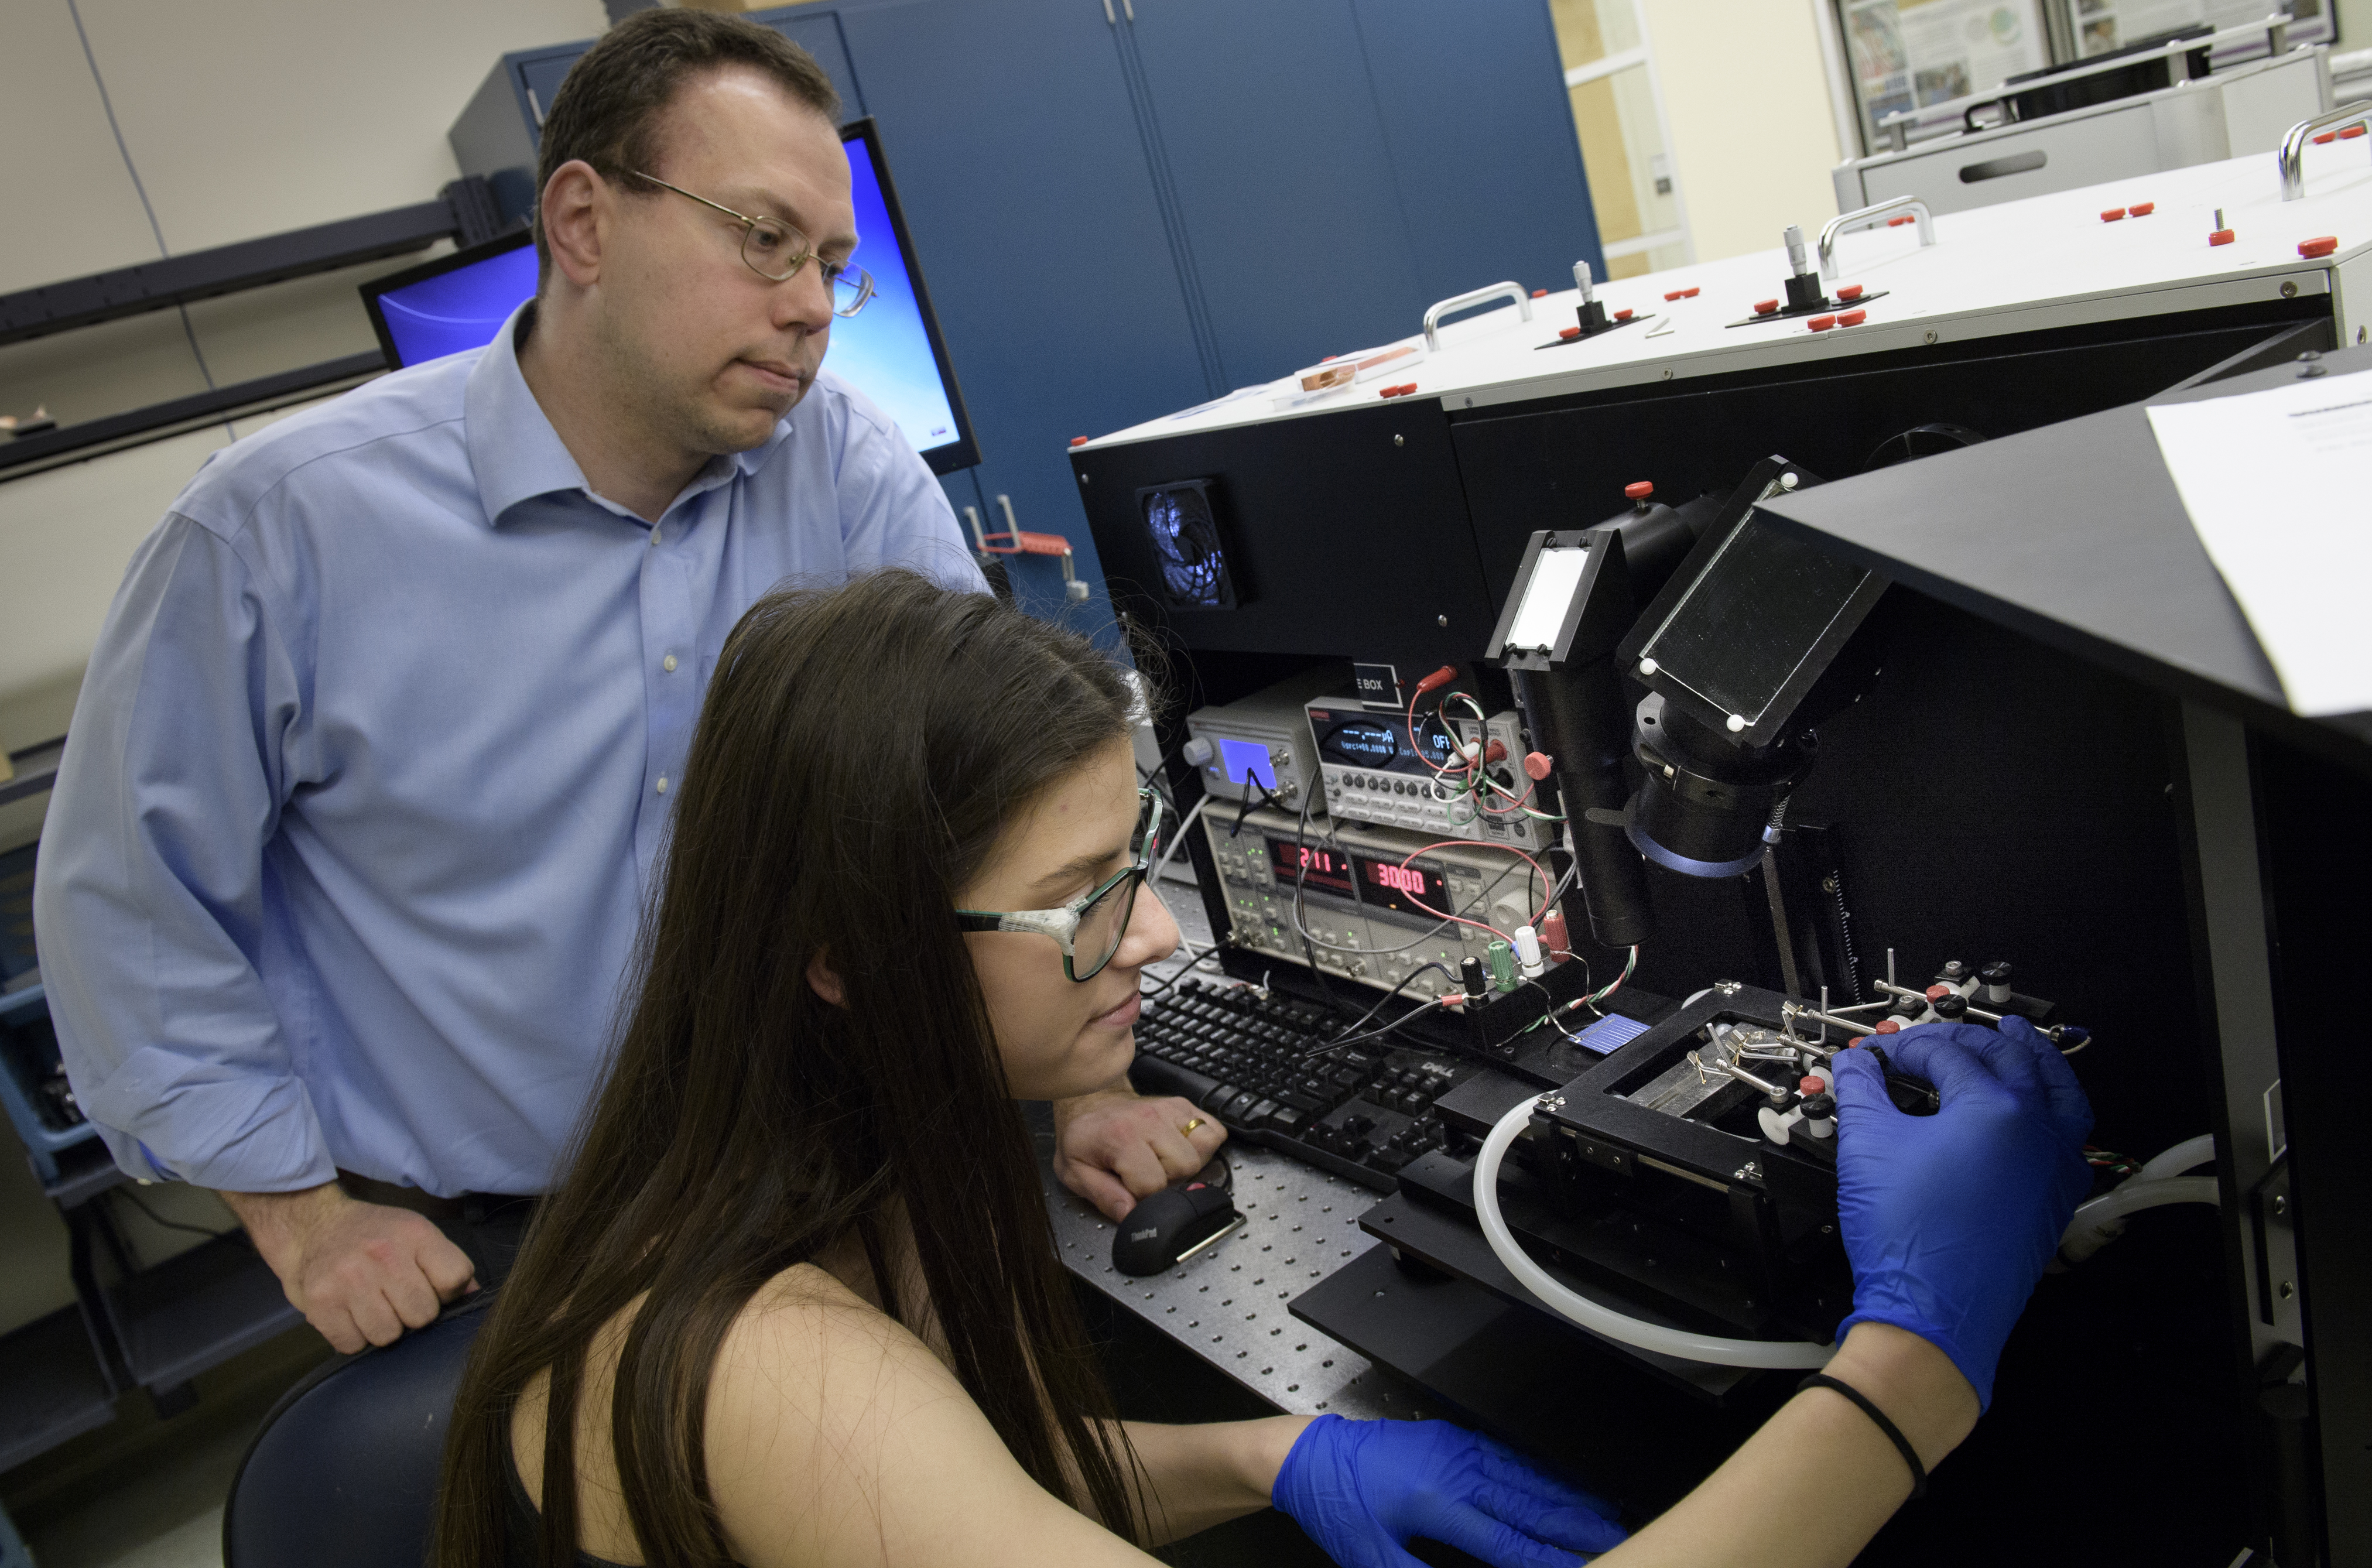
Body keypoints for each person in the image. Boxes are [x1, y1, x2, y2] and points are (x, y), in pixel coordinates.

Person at [432, 571, 2093, 1568]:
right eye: (1084, 901)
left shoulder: (854, 1173)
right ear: (848, 957)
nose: (1153, 937)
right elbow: (875, 1471)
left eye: (1135, 865)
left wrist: (1270, 1458)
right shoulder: (762, 1365)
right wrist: (1918, 1360)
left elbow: (972, 1493)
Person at [30, 9, 1216, 1360]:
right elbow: (129, 911)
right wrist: (304, 1218)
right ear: (583, 224)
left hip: (828, 1168)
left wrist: (1085, 1092)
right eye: (765, 240)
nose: (815, 306)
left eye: (835, 263)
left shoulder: (846, 464)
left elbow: (997, 819)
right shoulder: (274, 533)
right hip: (505, 1240)